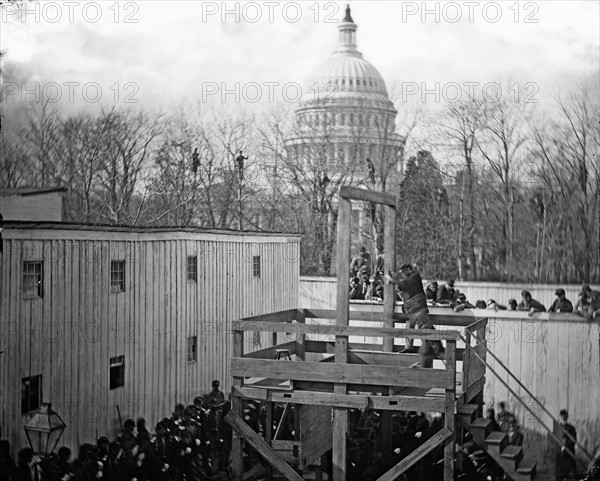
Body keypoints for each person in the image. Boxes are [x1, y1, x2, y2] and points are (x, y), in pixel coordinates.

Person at [385, 263, 444, 366]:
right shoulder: (410, 278)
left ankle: (437, 349)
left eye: (403, 272)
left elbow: (403, 285)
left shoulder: (415, 276)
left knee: (425, 328)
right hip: (412, 309)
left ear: (408, 269)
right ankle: (413, 348)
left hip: (418, 308)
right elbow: (402, 285)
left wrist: (390, 278)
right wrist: (394, 277)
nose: (403, 274)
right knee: (412, 327)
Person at [556, 409, 577, 481]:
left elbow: (574, 439)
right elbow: (555, 439)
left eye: (565, 416)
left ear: (567, 416)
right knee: (560, 471)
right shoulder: (557, 427)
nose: (563, 417)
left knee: (571, 470)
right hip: (560, 452)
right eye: (562, 416)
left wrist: (566, 444)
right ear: (560, 416)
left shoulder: (571, 428)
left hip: (569, 451)